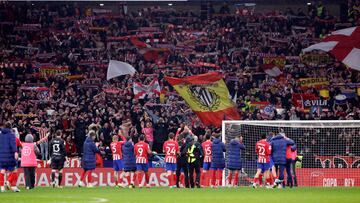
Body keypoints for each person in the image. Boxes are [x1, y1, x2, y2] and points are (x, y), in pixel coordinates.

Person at [0, 122, 20, 193]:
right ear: (10, 127)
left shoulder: (0, 134)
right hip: (9, 156)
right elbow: (13, 144)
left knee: (2, 170)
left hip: (1, 156)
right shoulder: (12, 135)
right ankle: (11, 185)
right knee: (14, 170)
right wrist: (15, 152)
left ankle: (2, 187)